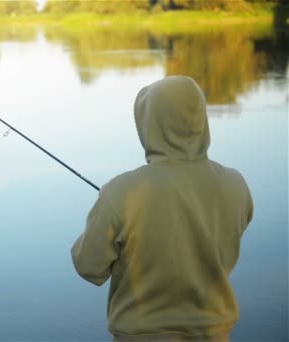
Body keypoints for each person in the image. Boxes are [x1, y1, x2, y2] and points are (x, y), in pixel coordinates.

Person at [71, 76, 253, 342]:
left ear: (149, 125)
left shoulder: (121, 191)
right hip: (215, 335)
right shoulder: (236, 184)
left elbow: (89, 266)